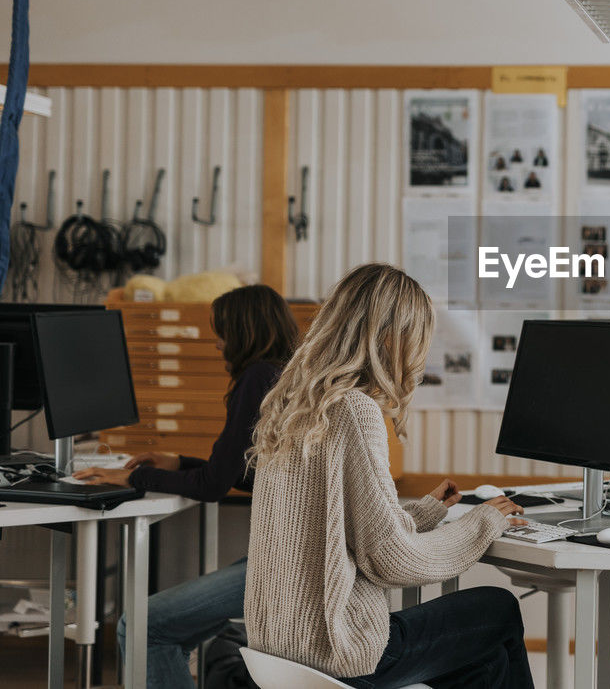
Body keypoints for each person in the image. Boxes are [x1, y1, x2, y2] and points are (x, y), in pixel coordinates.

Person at [244, 263, 532, 689]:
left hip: (279, 647)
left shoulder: (293, 402)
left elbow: (343, 526)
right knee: (499, 608)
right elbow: (388, 559)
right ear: (394, 339)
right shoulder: (355, 411)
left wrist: (426, 511)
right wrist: (484, 522)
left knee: (484, 661)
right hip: (341, 653)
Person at [75, 284, 300, 689]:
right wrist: (179, 463)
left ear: (244, 332)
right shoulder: (287, 377)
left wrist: (134, 476)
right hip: (295, 560)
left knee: (143, 627)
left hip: (285, 566)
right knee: (161, 632)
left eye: (221, 333)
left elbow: (214, 485)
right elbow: (249, 475)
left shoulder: (258, 377)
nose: (216, 345)